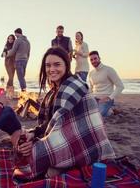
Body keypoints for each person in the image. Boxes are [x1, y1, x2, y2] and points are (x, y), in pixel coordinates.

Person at [16, 47, 115, 179]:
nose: (51, 69)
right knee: (24, 145)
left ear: (66, 65)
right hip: (66, 136)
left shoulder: (72, 86)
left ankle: (63, 166)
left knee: (35, 155)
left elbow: (59, 125)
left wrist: (37, 142)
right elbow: (51, 123)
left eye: (57, 64)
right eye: (48, 65)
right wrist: (33, 134)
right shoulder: (53, 92)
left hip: (86, 142)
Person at [88, 51, 124, 117]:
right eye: (91, 60)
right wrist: (88, 97)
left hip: (106, 99)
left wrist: (110, 98)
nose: (93, 61)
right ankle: (111, 109)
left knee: (97, 116)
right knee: (84, 113)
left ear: (99, 58)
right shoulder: (91, 73)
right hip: (94, 99)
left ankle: (111, 111)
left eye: (95, 58)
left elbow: (120, 86)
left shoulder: (109, 70)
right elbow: (91, 88)